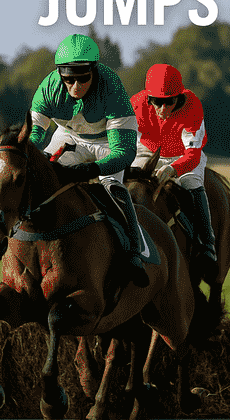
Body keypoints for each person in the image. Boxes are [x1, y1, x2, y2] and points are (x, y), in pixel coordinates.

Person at [29, 33, 149, 287]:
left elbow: (124, 154)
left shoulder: (111, 88)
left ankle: (134, 252)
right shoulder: (48, 88)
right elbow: (33, 136)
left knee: (113, 187)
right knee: (43, 179)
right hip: (71, 136)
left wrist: (90, 170)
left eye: (83, 78)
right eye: (68, 79)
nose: (75, 86)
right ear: (60, 73)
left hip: (110, 141)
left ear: (94, 70)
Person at [130, 63, 218, 273]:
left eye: (169, 102)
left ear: (179, 97)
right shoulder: (135, 104)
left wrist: (172, 170)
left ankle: (207, 244)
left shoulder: (192, 105)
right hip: (148, 150)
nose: (163, 109)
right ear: (148, 98)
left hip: (183, 153)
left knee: (191, 181)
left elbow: (193, 154)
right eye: (157, 102)